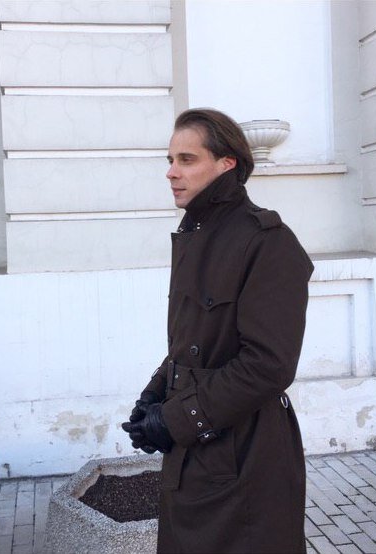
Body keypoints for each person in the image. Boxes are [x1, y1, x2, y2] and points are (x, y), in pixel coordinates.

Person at [122, 108, 313, 554]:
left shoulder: (267, 240)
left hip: (246, 453)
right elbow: (191, 342)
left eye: (187, 160)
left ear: (227, 163)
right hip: (195, 453)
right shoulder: (198, 235)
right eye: (170, 160)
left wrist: (174, 420)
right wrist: (153, 396)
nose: (171, 172)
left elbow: (268, 365)